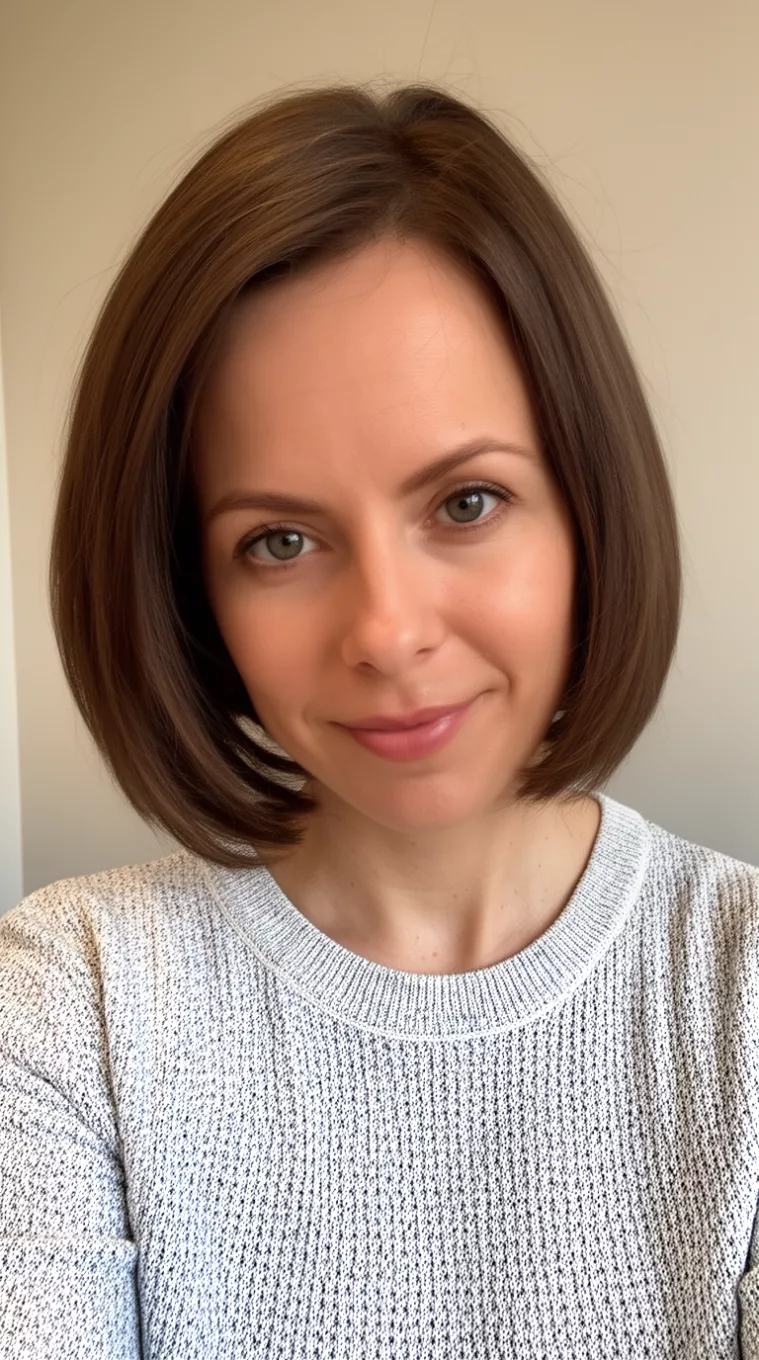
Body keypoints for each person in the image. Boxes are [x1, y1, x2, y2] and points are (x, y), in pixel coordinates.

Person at [0, 79, 757, 1360]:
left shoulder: (739, 992)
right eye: (279, 539)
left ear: (588, 506)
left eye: (465, 502)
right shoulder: (70, 1003)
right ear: (191, 591)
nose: (387, 630)